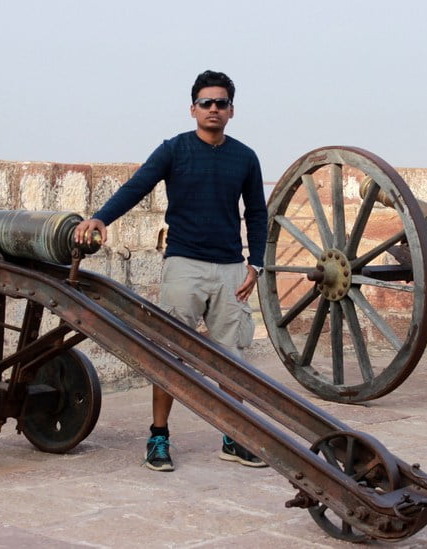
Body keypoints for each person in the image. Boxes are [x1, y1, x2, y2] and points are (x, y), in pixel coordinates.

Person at [74, 70, 268, 472]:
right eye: (205, 103)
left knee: (232, 358)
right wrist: (100, 218)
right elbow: (137, 186)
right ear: (193, 108)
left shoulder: (245, 157)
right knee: (171, 355)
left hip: (231, 268)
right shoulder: (175, 150)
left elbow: (257, 213)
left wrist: (258, 264)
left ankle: (234, 437)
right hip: (184, 265)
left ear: (232, 110)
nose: (213, 109)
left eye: (221, 103)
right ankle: (158, 437)